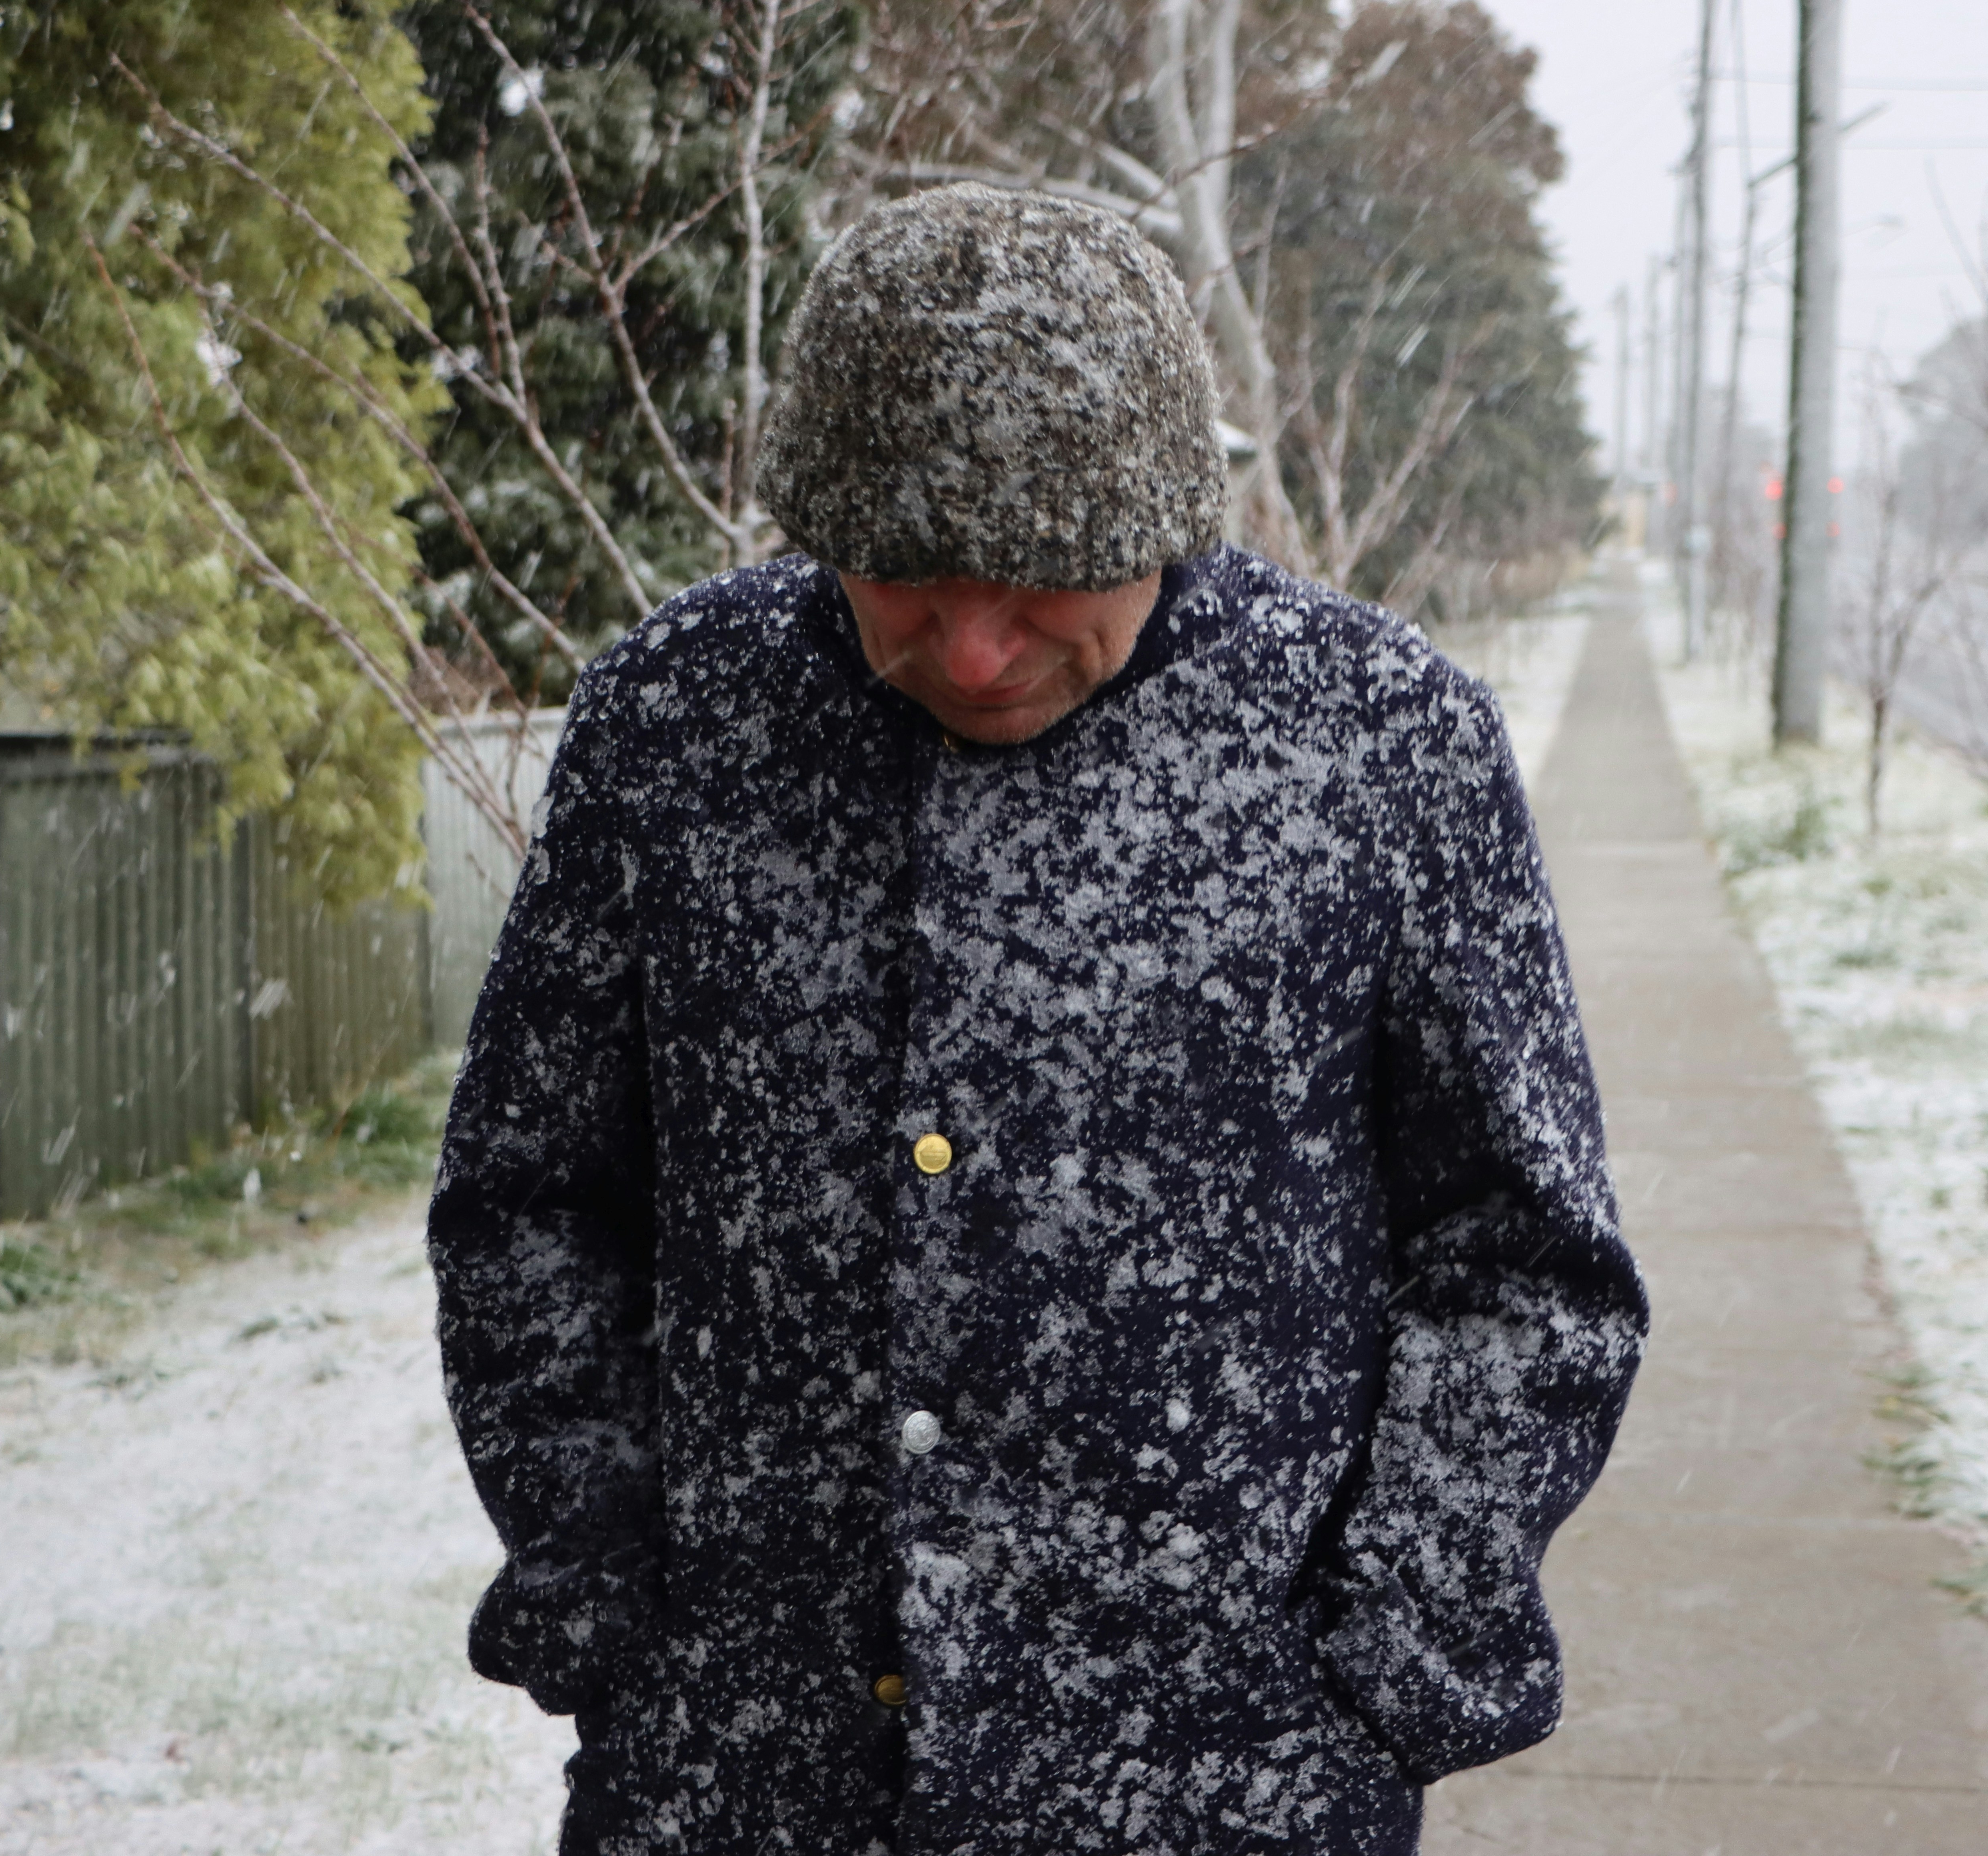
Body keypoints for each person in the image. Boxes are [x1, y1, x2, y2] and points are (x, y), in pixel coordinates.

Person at [427, 181, 1647, 1856]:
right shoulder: (676, 722)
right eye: (908, 581)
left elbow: (1526, 1256)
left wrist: (1387, 1659)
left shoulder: (1381, 744)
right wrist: (610, 1597)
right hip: (743, 1781)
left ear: (1161, 519)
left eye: (1042, 580)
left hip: (1234, 1791)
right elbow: (530, 1198)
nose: (979, 647)